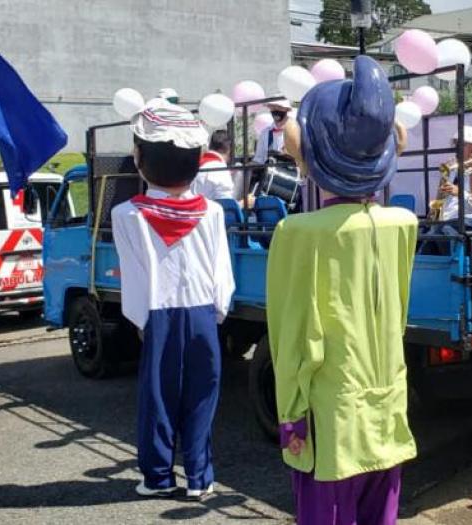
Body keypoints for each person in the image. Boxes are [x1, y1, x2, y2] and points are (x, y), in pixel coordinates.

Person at [267, 55, 418, 525]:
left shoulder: (299, 232)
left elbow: (294, 335)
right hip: (386, 405)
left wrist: (290, 413)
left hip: (329, 418)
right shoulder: (403, 223)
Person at [112, 99, 233, 500]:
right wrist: (217, 311)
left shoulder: (127, 214)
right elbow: (222, 272)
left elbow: (133, 275)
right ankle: (200, 476)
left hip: (157, 314)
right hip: (202, 313)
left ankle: (159, 477)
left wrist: (141, 320)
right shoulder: (213, 211)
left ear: (140, 158)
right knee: (202, 396)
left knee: (158, 398)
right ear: (197, 160)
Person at [194, 130, 237, 200]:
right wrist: (243, 204)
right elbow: (227, 204)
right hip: (212, 209)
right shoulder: (221, 170)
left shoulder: (195, 166)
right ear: (229, 150)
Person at [252, 99, 293, 164]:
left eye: (279, 107)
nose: (276, 110)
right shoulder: (265, 133)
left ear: (286, 109)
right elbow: (258, 159)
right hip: (269, 172)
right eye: (273, 107)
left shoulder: (295, 130)